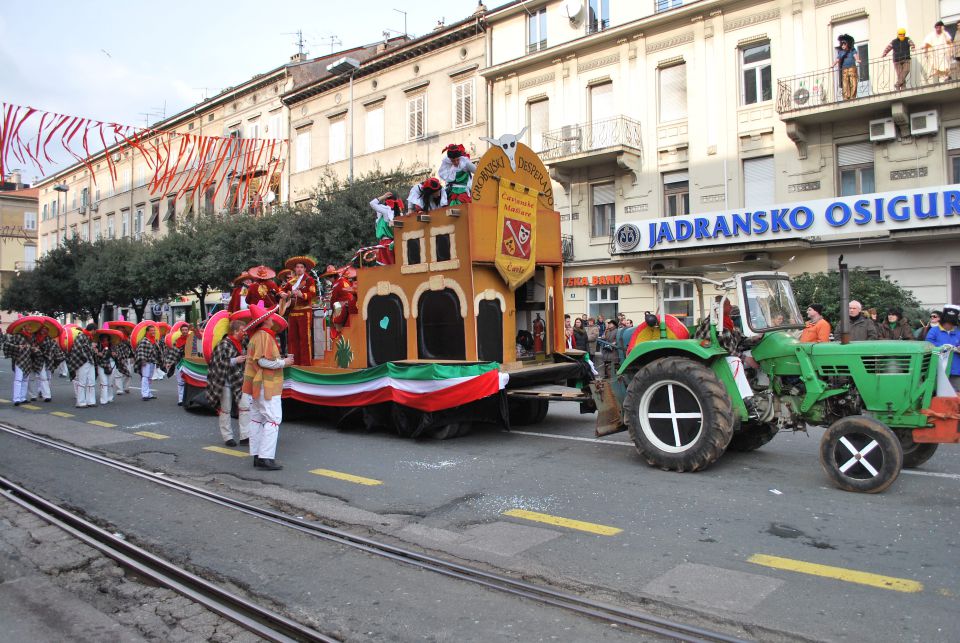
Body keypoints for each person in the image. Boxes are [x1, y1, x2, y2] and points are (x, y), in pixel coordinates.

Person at [241, 304, 294, 471]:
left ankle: (257, 455)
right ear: (265, 321)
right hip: (267, 384)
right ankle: (266, 457)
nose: (272, 319)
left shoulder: (256, 336)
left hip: (257, 384)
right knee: (273, 420)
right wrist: (283, 362)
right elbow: (262, 361)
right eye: (270, 317)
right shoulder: (264, 336)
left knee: (257, 419)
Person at [206, 319, 250, 447]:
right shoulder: (223, 344)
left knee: (245, 406)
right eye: (243, 330)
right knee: (225, 409)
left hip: (239, 379)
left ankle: (245, 436)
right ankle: (227, 437)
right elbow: (215, 363)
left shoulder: (243, 343)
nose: (245, 333)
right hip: (225, 380)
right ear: (235, 331)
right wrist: (234, 360)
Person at [278, 255, 318, 366]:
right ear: (295, 269)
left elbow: (313, 293)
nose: (299, 269)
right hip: (292, 312)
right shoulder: (291, 280)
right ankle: (294, 362)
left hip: (304, 312)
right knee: (292, 338)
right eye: (297, 267)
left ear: (305, 269)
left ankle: (305, 363)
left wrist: (302, 294)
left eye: (301, 267)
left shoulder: (309, 280)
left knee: (304, 338)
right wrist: (282, 293)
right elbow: (281, 289)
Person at [926, 306, 960, 390]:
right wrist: (944, 346)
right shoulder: (934, 331)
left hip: (955, 369)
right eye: (947, 323)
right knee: (938, 393)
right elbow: (928, 343)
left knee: (956, 394)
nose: (949, 325)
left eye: (951, 323)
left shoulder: (958, 333)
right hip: (938, 369)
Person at [65, 327, 98, 408]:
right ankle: (80, 402)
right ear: (92, 330)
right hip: (82, 361)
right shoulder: (81, 336)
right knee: (82, 382)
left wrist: (93, 349)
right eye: (95, 331)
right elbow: (79, 349)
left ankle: (91, 401)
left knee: (91, 381)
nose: (95, 333)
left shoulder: (89, 337)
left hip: (89, 361)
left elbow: (88, 349)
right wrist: (92, 348)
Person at [369, 192, 402, 265]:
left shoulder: (386, 211)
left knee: (386, 269)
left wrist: (383, 196)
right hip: (396, 243)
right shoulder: (399, 214)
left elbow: (372, 203)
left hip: (386, 243)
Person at [4, 329, 33, 406]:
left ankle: (22, 398)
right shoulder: (17, 336)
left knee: (25, 380)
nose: (29, 328)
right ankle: (16, 399)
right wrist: (17, 346)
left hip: (27, 361)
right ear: (23, 327)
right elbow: (7, 344)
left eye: (29, 326)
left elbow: (31, 348)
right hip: (19, 360)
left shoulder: (30, 337)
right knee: (18, 380)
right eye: (27, 326)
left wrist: (34, 349)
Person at [134, 324, 162, 400]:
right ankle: (145, 394)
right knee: (145, 377)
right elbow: (140, 351)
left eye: (154, 330)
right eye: (151, 330)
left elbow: (157, 351)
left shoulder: (154, 340)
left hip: (153, 361)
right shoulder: (144, 340)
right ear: (147, 331)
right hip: (146, 361)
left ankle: (148, 393)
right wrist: (143, 360)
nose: (153, 332)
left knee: (149, 377)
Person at [832, 35, 861, 101]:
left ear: (847, 44)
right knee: (845, 84)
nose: (843, 46)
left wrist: (857, 60)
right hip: (844, 69)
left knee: (853, 82)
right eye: (842, 45)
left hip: (852, 68)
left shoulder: (852, 50)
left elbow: (855, 56)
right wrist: (833, 65)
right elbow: (837, 59)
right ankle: (846, 97)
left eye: (844, 44)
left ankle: (852, 97)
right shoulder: (841, 52)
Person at [93, 332, 116, 406]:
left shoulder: (112, 346)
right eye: (103, 340)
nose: (105, 341)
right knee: (103, 382)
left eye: (107, 339)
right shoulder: (97, 346)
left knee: (110, 381)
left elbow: (118, 355)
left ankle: (110, 397)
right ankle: (103, 399)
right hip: (101, 364)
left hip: (112, 364)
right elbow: (94, 356)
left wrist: (114, 354)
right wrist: (97, 353)